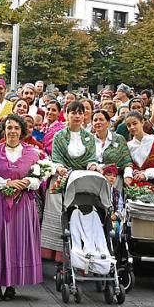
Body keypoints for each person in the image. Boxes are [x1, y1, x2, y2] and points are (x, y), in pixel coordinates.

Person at [0, 115, 44, 301]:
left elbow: (40, 178)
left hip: (23, 205)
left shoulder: (32, 153)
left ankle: (12, 284)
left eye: (16, 128)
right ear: (4, 130)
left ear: (22, 131)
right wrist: (6, 182)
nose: (12, 131)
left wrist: (27, 181)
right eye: (9, 127)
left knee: (17, 242)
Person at [41, 100, 95, 260]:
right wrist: (60, 168)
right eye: (73, 113)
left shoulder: (89, 137)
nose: (77, 116)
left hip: (81, 181)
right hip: (61, 180)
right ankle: (59, 257)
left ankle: (81, 255)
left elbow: (92, 158)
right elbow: (56, 157)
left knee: (80, 215)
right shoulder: (59, 136)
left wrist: (92, 166)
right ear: (66, 115)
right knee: (59, 216)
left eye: (80, 113)